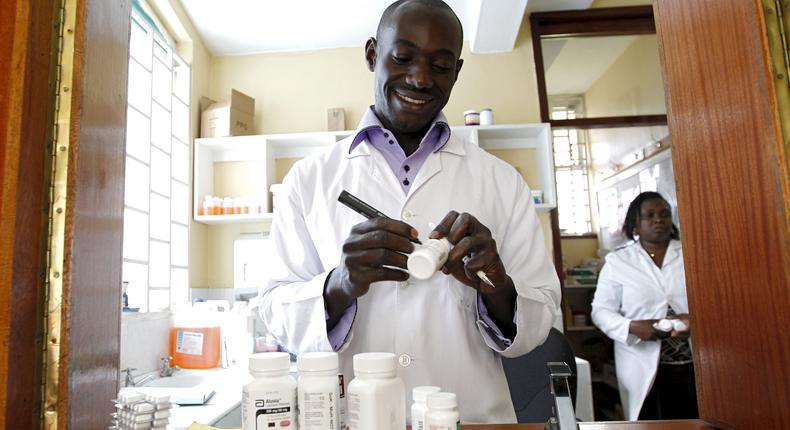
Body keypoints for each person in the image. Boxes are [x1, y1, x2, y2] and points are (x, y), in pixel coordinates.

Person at [258, 0, 560, 423]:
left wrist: (494, 282)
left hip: (470, 417)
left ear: (456, 72)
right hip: (354, 417)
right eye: (402, 58)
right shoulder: (308, 180)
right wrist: (340, 284)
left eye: (439, 65)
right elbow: (275, 312)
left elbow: (541, 317)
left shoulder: (502, 181)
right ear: (371, 54)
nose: (419, 79)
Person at [591, 191, 698, 421]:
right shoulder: (619, 261)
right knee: (650, 421)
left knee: (698, 419)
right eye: (649, 215)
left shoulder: (692, 253)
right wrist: (632, 326)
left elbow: (714, 299)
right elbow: (601, 312)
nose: (658, 220)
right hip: (642, 361)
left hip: (693, 362)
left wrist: (696, 321)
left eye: (664, 214)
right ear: (635, 224)